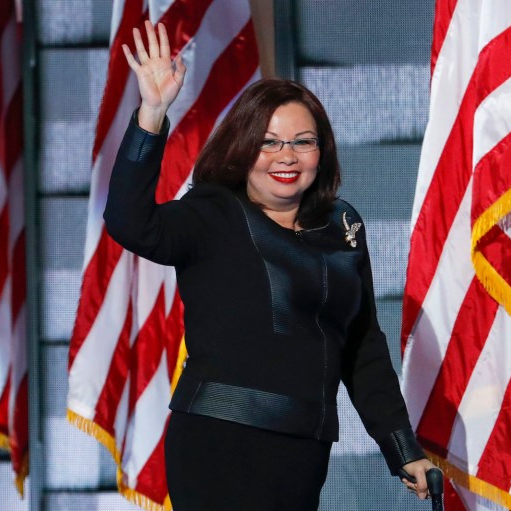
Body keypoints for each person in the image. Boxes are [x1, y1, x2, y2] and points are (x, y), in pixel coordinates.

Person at [106, 20, 436, 510]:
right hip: (219, 446)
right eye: (269, 141)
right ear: (243, 148)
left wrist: (401, 446)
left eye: (302, 141)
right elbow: (129, 222)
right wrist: (152, 114)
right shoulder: (211, 214)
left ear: (320, 152)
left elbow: (362, 345)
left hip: (304, 453)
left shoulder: (343, 225)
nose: (287, 156)